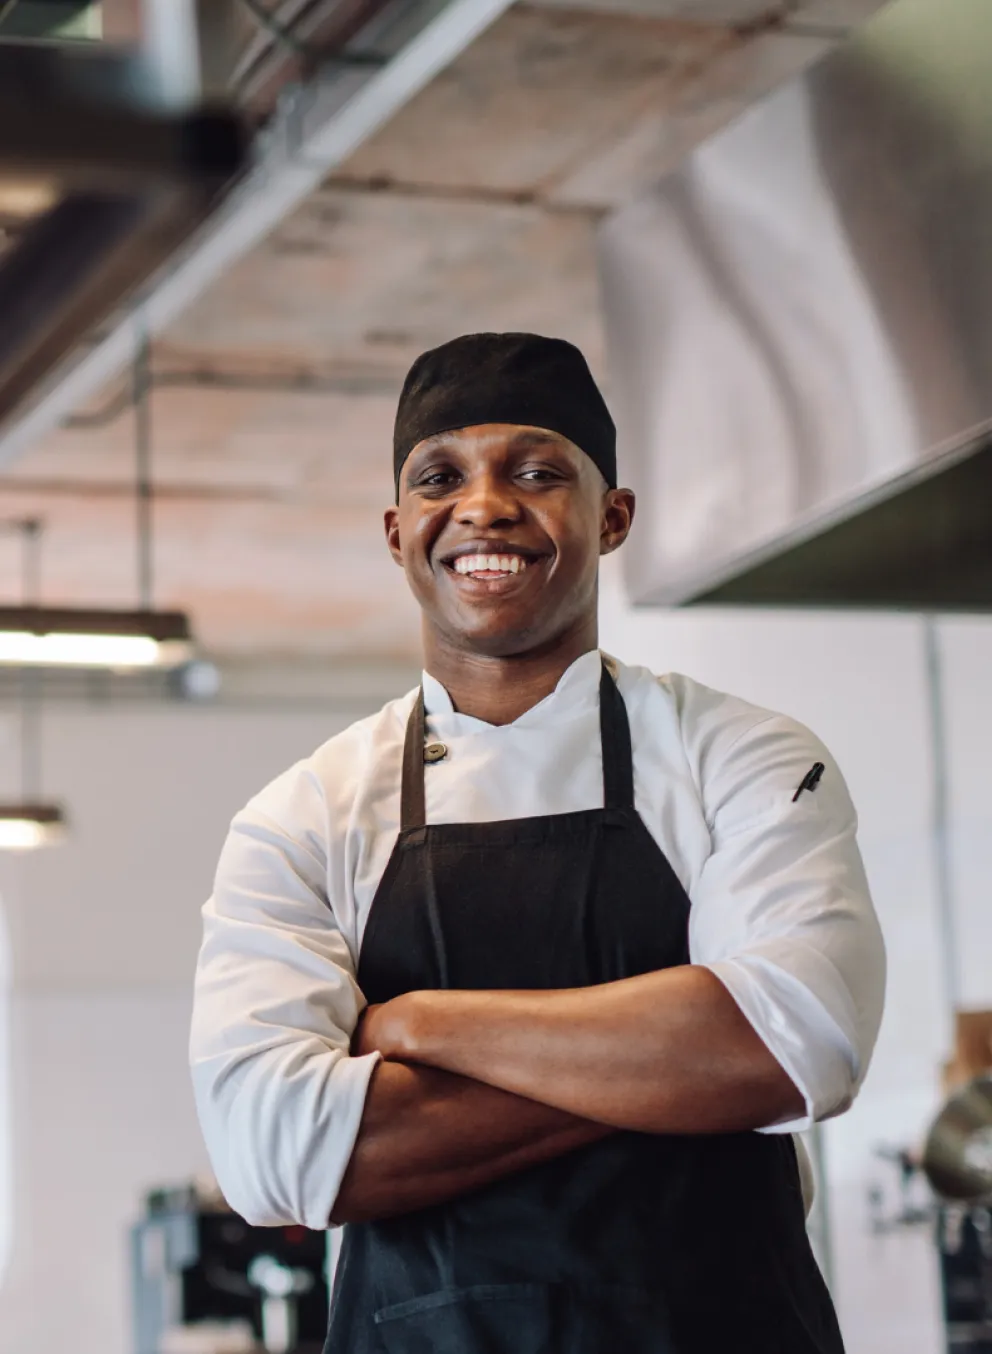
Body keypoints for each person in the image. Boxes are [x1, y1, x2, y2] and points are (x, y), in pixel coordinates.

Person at [190, 332, 886, 1354]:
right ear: (396, 531)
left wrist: (419, 1024)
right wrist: (675, 1062)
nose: (483, 506)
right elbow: (274, 1157)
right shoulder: (305, 816)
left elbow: (799, 1043)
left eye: (535, 471)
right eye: (441, 477)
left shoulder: (736, 755)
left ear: (613, 517)